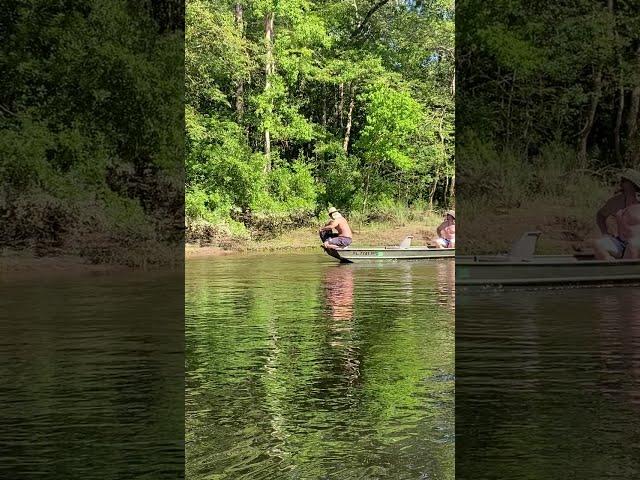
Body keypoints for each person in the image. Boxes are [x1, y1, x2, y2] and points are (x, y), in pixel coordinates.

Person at [593, 169, 640, 260]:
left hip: (637, 243)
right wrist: (605, 232)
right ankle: (611, 267)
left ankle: (628, 272)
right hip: (621, 242)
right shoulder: (615, 202)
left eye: (624, 181)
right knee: (598, 244)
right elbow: (600, 215)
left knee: (632, 246)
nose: (621, 183)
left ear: (633, 184)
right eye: (622, 180)